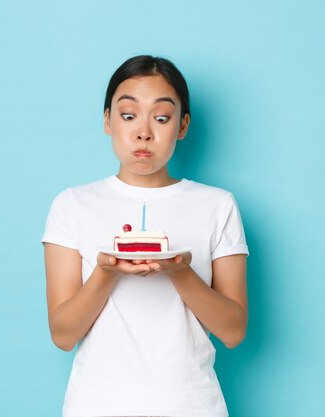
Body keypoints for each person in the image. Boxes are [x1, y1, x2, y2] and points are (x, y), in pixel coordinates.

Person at [42, 55, 249, 417]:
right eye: (127, 115)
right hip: (96, 403)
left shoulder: (218, 205)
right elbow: (62, 335)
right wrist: (106, 272)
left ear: (182, 126)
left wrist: (180, 272)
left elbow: (233, 331)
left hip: (191, 403)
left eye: (162, 117)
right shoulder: (72, 204)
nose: (143, 132)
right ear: (107, 120)